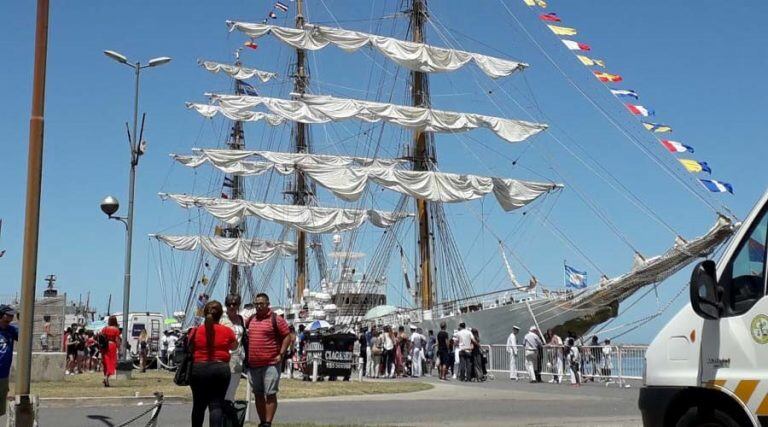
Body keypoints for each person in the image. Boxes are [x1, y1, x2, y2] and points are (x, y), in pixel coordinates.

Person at [244, 293, 292, 427]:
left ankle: (268, 423)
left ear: (267, 304)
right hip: (254, 364)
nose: (259, 306)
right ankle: (262, 421)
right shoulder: (251, 319)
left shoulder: (276, 319)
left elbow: (287, 336)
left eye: (261, 304)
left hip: (270, 363)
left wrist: (281, 354)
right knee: (258, 395)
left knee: (270, 394)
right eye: (256, 304)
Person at [189, 300, 237, 427]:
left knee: (198, 405)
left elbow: (190, 348)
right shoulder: (227, 331)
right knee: (216, 406)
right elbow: (234, 346)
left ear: (205, 314)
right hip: (220, 368)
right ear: (221, 315)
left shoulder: (195, 331)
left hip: (199, 369)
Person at [221, 293, 245, 411]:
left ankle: (228, 415)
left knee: (232, 389)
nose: (232, 306)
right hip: (224, 357)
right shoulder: (221, 319)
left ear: (238, 305)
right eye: (229, 304)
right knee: (222, 389)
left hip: (237, 358)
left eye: (234, 304)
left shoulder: (240, 319)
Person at [0, 305, 18, 418]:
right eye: (8, 315)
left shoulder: (11, 330)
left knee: (0, 410)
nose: (11, 318)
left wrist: (24, 321)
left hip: (3, 376)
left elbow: (26, 337)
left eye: (12, 316)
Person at [101, 316, 121, 387]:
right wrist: (119, 348)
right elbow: (117, 340)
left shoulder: (105, 329)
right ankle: (106, 377)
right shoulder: (116, 330)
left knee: (106, 363)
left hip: (104, 346)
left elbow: (101, 337)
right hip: (112, 346)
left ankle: (106, 380)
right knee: (112, 363)